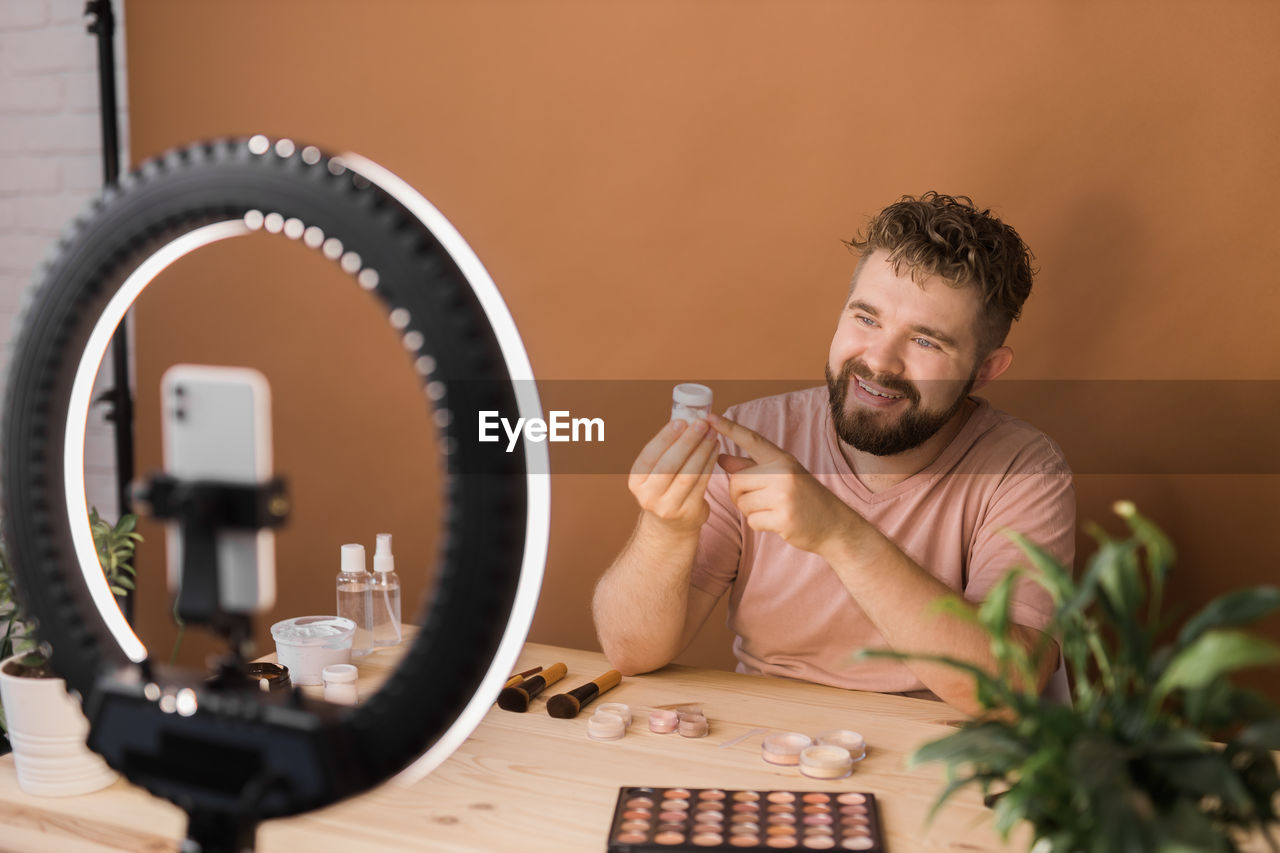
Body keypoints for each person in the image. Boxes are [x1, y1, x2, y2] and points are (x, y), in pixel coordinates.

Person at [591, 192, 1075, 715]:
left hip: (938, 756)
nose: (879, 362)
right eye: (866, 319)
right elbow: (629, 651)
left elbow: (1007, 690)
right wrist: (666, 529)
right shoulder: (752, 433)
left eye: (927, 343)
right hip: (766, 740)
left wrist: (840, 535)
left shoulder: (1024, 470)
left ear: (985, 369)